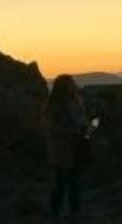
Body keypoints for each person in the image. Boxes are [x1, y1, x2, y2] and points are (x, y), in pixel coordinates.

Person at [44, 74, 89, 217]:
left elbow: (82, 121)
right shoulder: (54, 106)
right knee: (61, 183)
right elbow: (52, 127)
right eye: (68, 85)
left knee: (74, 182)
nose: (71, 87)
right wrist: (73, 131)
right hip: (61, 149)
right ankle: (55, 213)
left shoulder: (76, 102)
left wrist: (85, 129)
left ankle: (74, 212)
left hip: (76, 147)